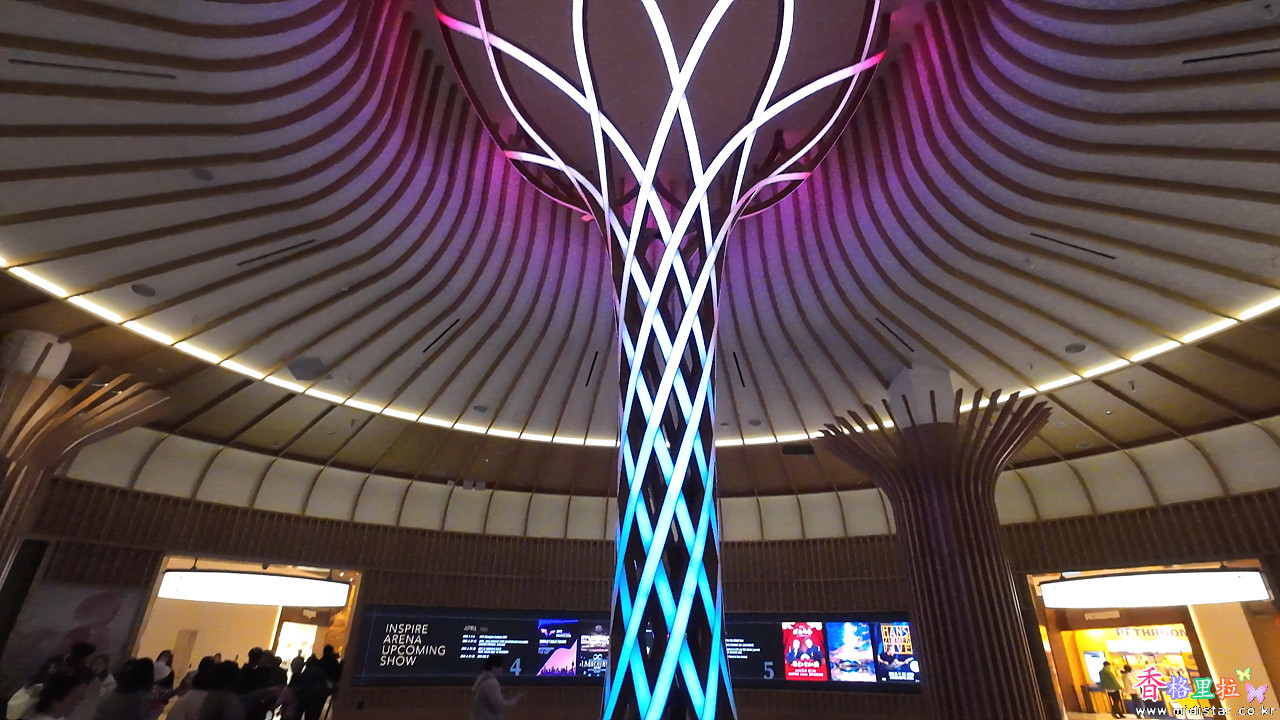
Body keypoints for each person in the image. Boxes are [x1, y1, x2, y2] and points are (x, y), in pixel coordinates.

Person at [470, 655, 520, 720]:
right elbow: (501, 706)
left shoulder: (481, 678)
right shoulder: (491, 683)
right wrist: (515, 700)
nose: (501, 670)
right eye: (500, 667)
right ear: (494, 667)